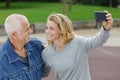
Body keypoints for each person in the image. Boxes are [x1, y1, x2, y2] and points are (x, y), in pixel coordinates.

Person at [42, 12, 113, 80]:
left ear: (61, 29)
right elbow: (43, 73)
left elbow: (98, 41)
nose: (47, 31)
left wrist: (105, 29)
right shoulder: (47, 53)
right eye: (46, 28)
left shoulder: (78, 43)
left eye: (51, 28)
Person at [0, 14, 50, 80]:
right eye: (26, 29)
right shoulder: (2, 62)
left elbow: (46, 71)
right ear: (14, 35)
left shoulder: (37, 45)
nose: (31, 31)